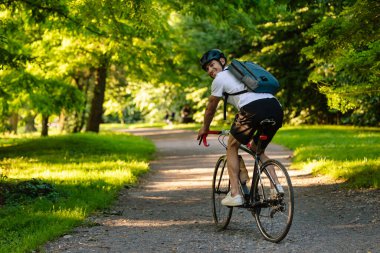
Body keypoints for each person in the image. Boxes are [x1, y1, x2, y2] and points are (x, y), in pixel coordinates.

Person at [197, 49, 284, 206]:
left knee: (232, 145)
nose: (210, 70)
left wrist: (205, 128)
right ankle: (276, 186)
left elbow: (211, 107)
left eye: (212, 65)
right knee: (258, 150)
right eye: (207, 69)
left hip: (252, 110)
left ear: (222, 61)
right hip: (275, 108)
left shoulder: (220, 78)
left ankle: (236, 194)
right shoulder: (243, 73)